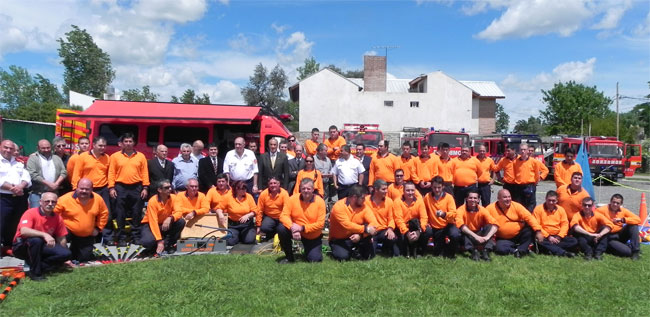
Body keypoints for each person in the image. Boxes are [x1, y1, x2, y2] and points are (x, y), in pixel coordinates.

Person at [12, 192, 71, 280]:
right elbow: (24, 231)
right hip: (22, 246)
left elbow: (61, 238)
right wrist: (45, 235)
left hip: (42, 246)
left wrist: (65, 257)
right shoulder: (30, 213)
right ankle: (35, 273)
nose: (50, 204)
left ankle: (40, 266)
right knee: (36, 240)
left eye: (53, 202)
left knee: (66, 254)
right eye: (47, 201)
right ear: (40, 202)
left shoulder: (57, 217)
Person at [108, 133, 149, 246]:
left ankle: (135, 236)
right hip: (120, 187)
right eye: (126, 141)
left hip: (137, 187)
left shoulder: (141, 156)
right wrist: (111, 188)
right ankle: (121, 238)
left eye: (130, 141)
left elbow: (145, 172)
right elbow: (111, 172)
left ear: (134, 143)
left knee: (136, 212)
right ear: (122, 143)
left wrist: (145, 187)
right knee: (120, 213)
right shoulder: (115, 156)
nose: (128, 144)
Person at [54, 178, 108, 262]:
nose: (84, 191)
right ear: (76, 187)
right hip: (68, 230)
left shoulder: (98, 199)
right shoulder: (65, 199)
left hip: (86, 233)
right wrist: (58, 227)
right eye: (81, 188)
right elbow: (54, 214)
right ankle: (62, 256)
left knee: (84, 258)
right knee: (61, 237)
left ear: (91, 189)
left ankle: (74, 252)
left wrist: (98, 228)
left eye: (87, 189)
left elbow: (104, 214)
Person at [278, 178, 326, 263]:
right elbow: (283, 216)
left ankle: (308, 251)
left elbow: (320, 224)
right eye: (303, 188)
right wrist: (292, 227)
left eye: (308, 188)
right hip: (295, 230)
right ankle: (289, 257)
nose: (306, 191)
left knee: (314, 260)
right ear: (300, 189)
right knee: (281, 229)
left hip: (312, 235)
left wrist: (302, 228)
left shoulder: (320, 202)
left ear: (313, 189)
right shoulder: (292, 199)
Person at [487, 189, 543, 258]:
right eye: (505, 197)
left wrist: (538, 231)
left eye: (509, 197)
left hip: (519, 235)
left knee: (530, 230)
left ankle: (521, 249)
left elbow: (529, 217)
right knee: (500, 249)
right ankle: (518, 250)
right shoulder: (490, 208)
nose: (508, 199)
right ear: (498, 198)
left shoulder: (516, 206)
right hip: (503, 238)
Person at [329, 185, 378, 261]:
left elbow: (374, 223)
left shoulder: (364, 206)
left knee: (369, 255)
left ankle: (356, 250)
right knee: (343, 257)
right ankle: (339, 249)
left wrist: (360, 235)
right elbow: (347, 225)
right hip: (340, 238)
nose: (364, 200)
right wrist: (366, 229)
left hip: (358, 235)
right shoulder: (339, 206)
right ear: (354, 197)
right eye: (362, 198)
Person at [0, 139, 31, 252]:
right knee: (1, 223)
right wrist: (12, 188)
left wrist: (21, 186)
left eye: (11, 148)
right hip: (3, 197)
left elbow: (26, 177)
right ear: (0, 147)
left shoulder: (18, 163)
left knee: (15, 223)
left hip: (18, 198)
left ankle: (9, 247)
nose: (8, 150)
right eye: (5, 147)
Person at [140, 180, 185, 254]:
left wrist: (170, 218)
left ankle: (169, 245)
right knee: (147, 241)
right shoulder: (152, 201)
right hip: (151, 225)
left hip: (165, 223)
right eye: (166, 188)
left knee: (180, 222)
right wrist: (159, 241)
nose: (170, 189)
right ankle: (155, 246)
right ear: (159, 190)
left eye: (170, 187)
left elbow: (179, 212)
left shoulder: (174, 198)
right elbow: (153, 222)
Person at [423, 176, 460, 258]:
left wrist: (444, 214)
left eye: (439, 187)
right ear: (431, 186)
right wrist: (426, 222)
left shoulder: (449, 197)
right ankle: (422, 250)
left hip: (447, 225)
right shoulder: (427, 197)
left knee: (455, 234)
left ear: (443, 187)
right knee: (426, 231)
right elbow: (423, 212)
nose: (437, 190)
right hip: (433, 226)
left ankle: (451, 252)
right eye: (434, 187)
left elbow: (454, 214)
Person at [455, 190, 498, 261]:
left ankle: (486, 251)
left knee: (490, 227)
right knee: (463, 230)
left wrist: (487, 237)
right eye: (470, 198)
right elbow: (461, 226)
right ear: (466, 199)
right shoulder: (460, 210)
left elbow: (495, 224)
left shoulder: (482, 209)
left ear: (478, 200)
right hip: (468, 235)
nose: (473, 200)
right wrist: (476, 237)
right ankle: (473, 252)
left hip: (479, 233)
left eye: (475, 198)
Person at [532, 190, 577, 257]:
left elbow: (565, 224)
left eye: (553, 201)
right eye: (549, 200)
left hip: (557, 236)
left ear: (557, 201)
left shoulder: (561, 209)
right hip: (545, 236)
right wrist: (549, 237)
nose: (551, 202)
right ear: (545, 199)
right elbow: (537, 225)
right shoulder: (538, 209)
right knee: (540, 241)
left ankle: (550, 249)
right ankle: (563, 253)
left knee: (574, 241)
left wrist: (559, 237)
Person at [596, 194, 641, 259]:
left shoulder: (623, 210)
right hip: (609, 236)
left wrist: (623, 220)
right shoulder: (601, 210)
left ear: (621, 204)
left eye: (617, 203)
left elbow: (638, 219)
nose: (615, 204)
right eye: (613, 202)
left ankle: (635, 251)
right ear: (610, 201)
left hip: (620, 234)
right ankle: (608, 248)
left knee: (633, 225)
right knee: (627, 252)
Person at [26, 139, 67, 208]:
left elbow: (64, 172)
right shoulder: (33, 158)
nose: (46, 150)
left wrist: (56, 184)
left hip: (54, 193)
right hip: (38, 193)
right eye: (43, 148)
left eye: (48, 148)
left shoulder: (56, 158)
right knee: (36, 214)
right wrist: (48, 184)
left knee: (54, 215)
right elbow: (32, 174)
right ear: (38, 148)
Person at [216, 180, 259, 246]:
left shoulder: (249, 197)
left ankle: (243, 236)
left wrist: (248, 215)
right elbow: (218, 208)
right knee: (230, 242)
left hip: (246, 225)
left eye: (244, 189)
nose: (243, 190)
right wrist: (220, 214)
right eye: (241, 189)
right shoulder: (228, 197)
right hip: (233, 225)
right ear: (236, 189)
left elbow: (255, 211)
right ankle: (237, 236)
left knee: (249, 240)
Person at [73, 137, 112, 209]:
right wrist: (75, 188)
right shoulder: (83, 156)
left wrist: (110, 187)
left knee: (106, 213)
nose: (102, 147)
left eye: (104, 146)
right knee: (88, 211)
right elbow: (76, 173)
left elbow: (110, 174)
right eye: (100, 145)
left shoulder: (107, 158)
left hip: (103, 189)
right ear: (94, 145)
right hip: (87, 189)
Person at [394, 182, 428, 257]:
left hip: (416, 227)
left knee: (428, 231)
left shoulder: (419, 201)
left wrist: (419, 231)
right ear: (403, 191)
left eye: (412, 190)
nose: (410, 193)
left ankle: (420, 251)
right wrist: (407, 233)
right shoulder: (397, 201)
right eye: (408, 190)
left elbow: (424, 217)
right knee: (398, 253)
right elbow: (398, 220)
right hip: (403, 229)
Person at [366, 180, 399, 257]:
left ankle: (385, 248)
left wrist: (390, 229)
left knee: (395, 251)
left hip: (384, 230)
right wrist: (366, 234)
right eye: (383, 189)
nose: (386, 191)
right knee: (369, 256)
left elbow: (391, 218)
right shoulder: (366, 201)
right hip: (371, 231)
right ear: (376, 189)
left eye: (386, 189)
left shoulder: (389, 201)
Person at [513, 144, 548, 211]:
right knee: (519, 206)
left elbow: (540, 172)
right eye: (521, 150)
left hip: (530, 186)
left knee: (530, 206)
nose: (523, 151)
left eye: (524, 150)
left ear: (527, 151)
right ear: (519, 151)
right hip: (518, 186)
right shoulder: (515, 162)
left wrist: (540, 178)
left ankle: (529, 220)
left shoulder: (534, 162)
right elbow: (515, 173)